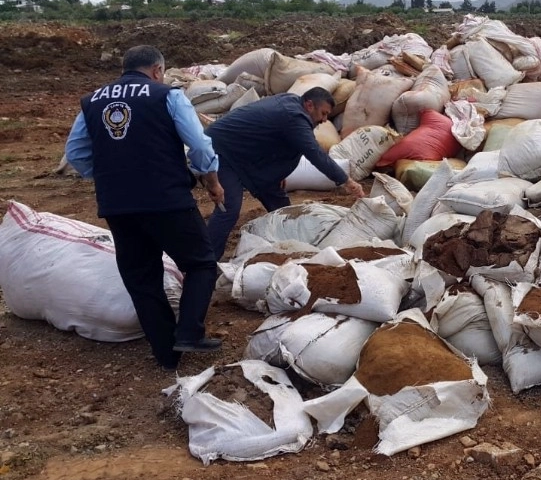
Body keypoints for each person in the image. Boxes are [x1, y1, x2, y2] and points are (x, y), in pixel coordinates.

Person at [65, 45, 226, 371]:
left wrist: (114, 176)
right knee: (201, 264)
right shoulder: (166, 95)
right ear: (157, 70)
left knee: (142, 278)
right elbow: (198, 144)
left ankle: (167, 356)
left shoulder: (91, 101)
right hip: (167, 200)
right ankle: (189, 332)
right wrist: (211, 181)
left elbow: (76, 153)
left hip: (118, 204)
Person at [205, 87, 365, 261]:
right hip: (222, 152)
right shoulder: (294, 117)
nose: (325, 120)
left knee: (282, 207)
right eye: (323, 113)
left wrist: (277, 171)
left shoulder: (292, 104)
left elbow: (275, 140)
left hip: (247, 157)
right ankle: (205, 260)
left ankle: (291, 248)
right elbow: (315, 154)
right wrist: (347, 181)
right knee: (228, 209)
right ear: (309, 105)